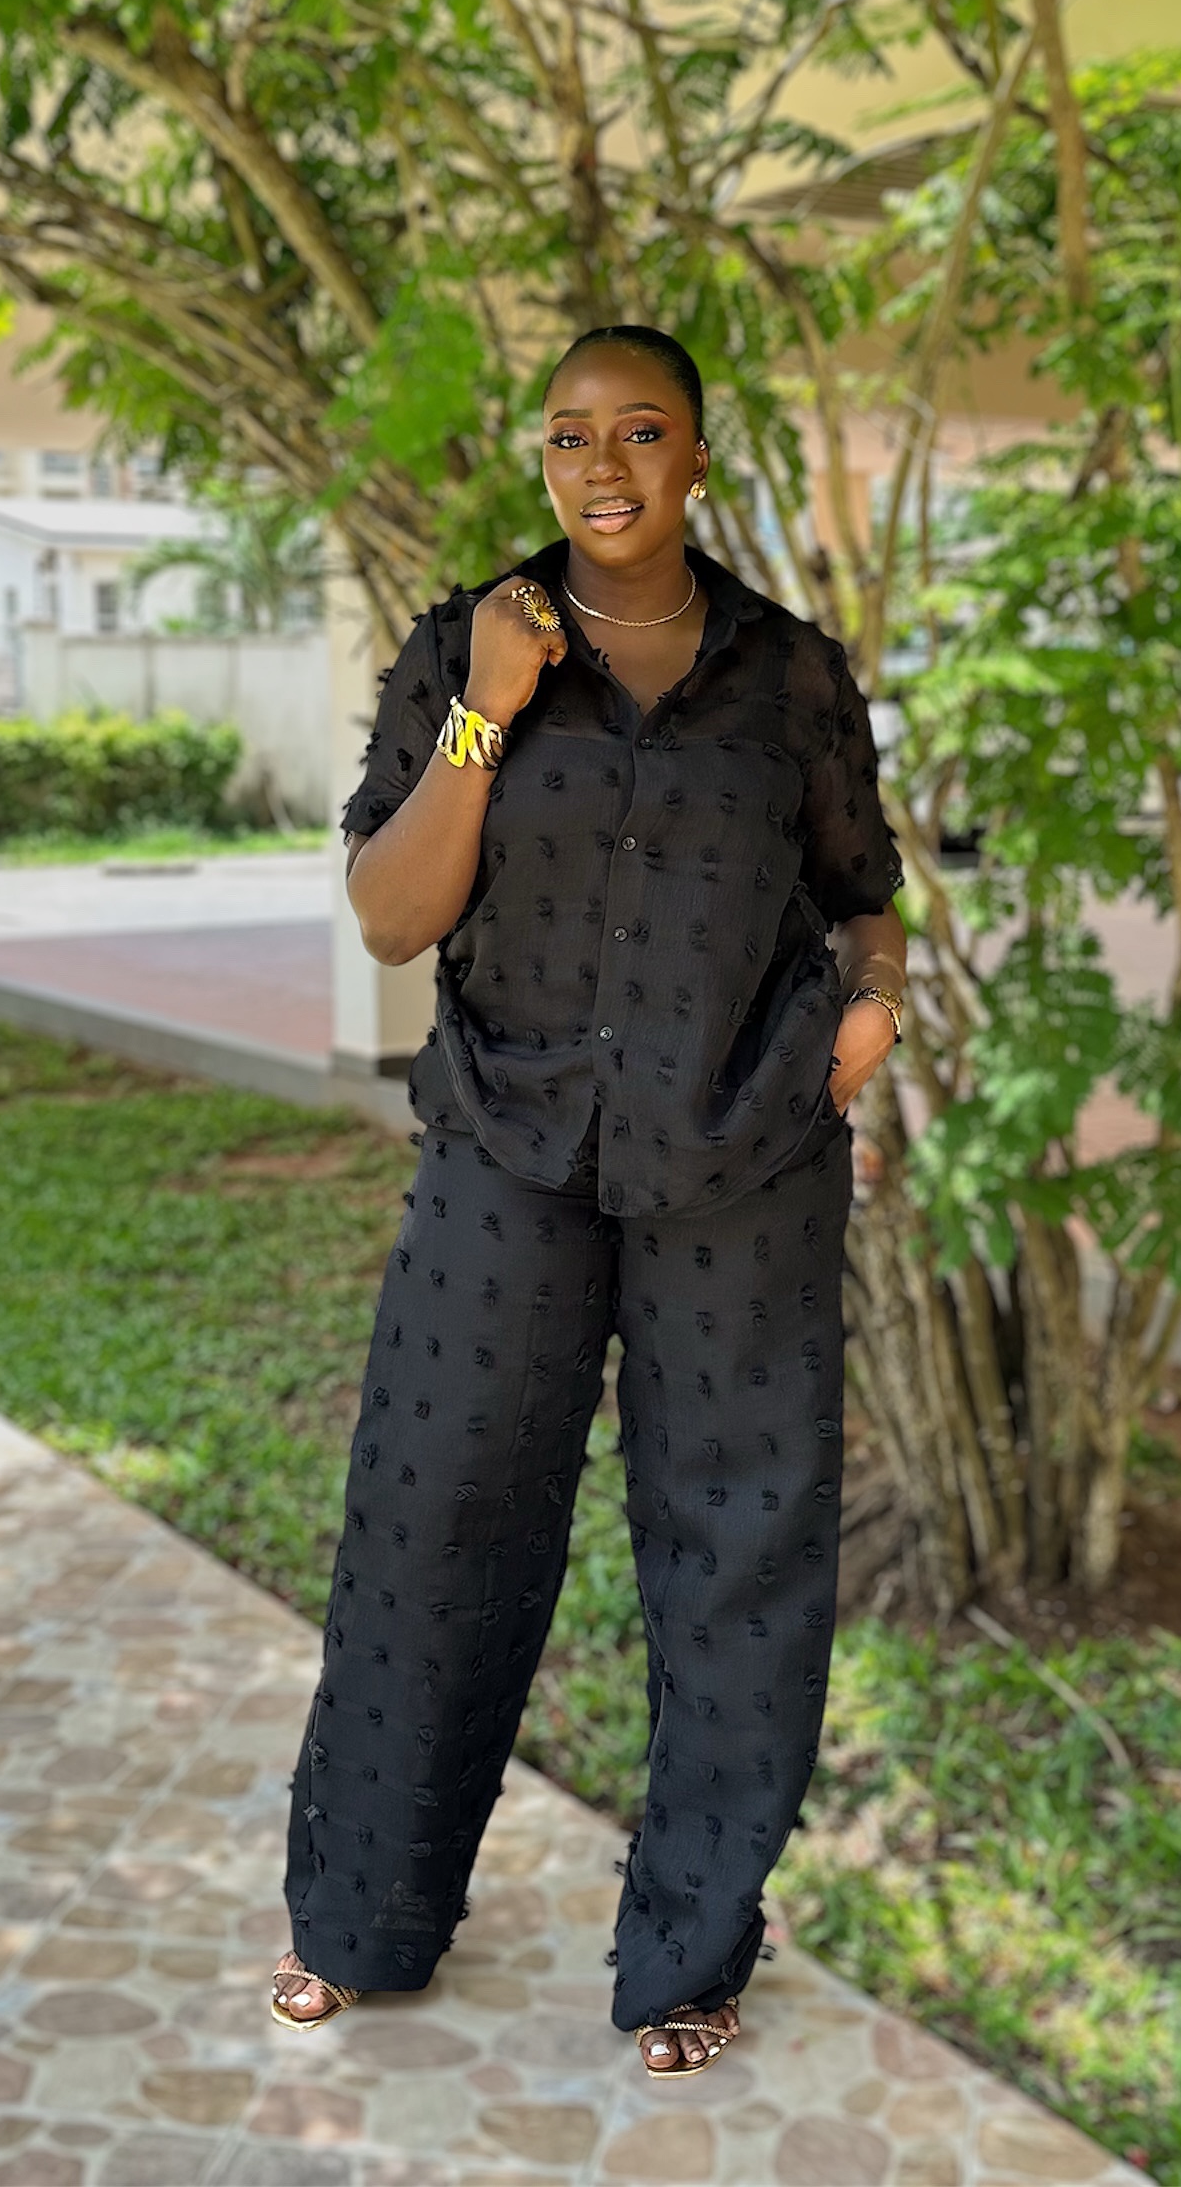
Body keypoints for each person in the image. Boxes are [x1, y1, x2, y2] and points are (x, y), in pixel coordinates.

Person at [272, 324, 907, 2080]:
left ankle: (691, 1954)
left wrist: (873, 1006)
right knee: (431, 1522)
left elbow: (861, 886)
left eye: (641, 431)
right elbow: (393, 918)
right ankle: (361, 1918)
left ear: (700, 456)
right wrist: (488, 706)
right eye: (571, 435)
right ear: (542, 456)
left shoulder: (793, 676)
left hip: (743, 1157)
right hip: (507, 1148)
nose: (603, 466)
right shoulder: (463, 643)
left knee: (738, 1547)